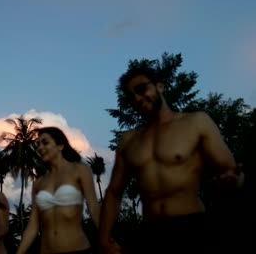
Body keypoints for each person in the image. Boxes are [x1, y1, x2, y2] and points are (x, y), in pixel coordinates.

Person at [97, 67, 244, 254]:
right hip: (150, 233)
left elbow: (231, 172)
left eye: (141, 89)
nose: (137, 98)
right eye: (131, 96)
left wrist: (235, 182)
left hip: (192, 227)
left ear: (160, 86)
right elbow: (114, 193)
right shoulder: (129, 140)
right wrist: (103, 239)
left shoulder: (196, 122)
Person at [16, 127, 100, 254]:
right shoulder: (39, 183)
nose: (39, 148)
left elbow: (93, 208)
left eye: (45, 142)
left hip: (78, 249)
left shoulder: (79, 170)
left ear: (60, 145)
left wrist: (109, 240)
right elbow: (33, 225)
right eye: (37, 144)